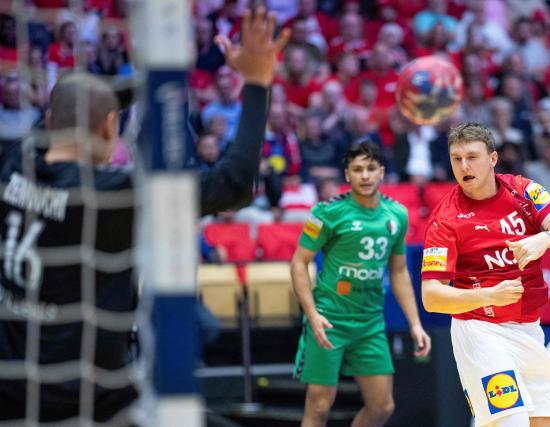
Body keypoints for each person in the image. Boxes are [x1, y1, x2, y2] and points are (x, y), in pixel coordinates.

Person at [0, 7, 289, 423]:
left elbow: (80, 106)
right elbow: (236, 183)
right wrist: (258, 82)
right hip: (86, 401)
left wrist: (151, 80)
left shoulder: (16, 161)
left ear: (48, 121)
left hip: (13, 389)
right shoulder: (109, 197)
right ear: (110, 128)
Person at [421, 122, 550, 427]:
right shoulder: (445, 218)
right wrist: (487, 295)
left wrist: (545, 239)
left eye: (472, 156)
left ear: (493, 159)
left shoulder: (524, 190)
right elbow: (432, 297)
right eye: (456, 159)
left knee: (549, 422)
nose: (464, 165)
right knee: (510, 422)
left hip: (529, 330)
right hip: (480, 330)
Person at [290, 140, 431, 427]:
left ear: (381, 172)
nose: (364, 176)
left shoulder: (397, 215)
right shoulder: (327, 212)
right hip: (329, 320)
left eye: (370, 169)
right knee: (318, 406)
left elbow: (400, 272)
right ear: (347, 175)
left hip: (370, 324)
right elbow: (298, 263)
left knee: (382, 407)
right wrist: (312, 315)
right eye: (357, 170)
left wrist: (415, 323)